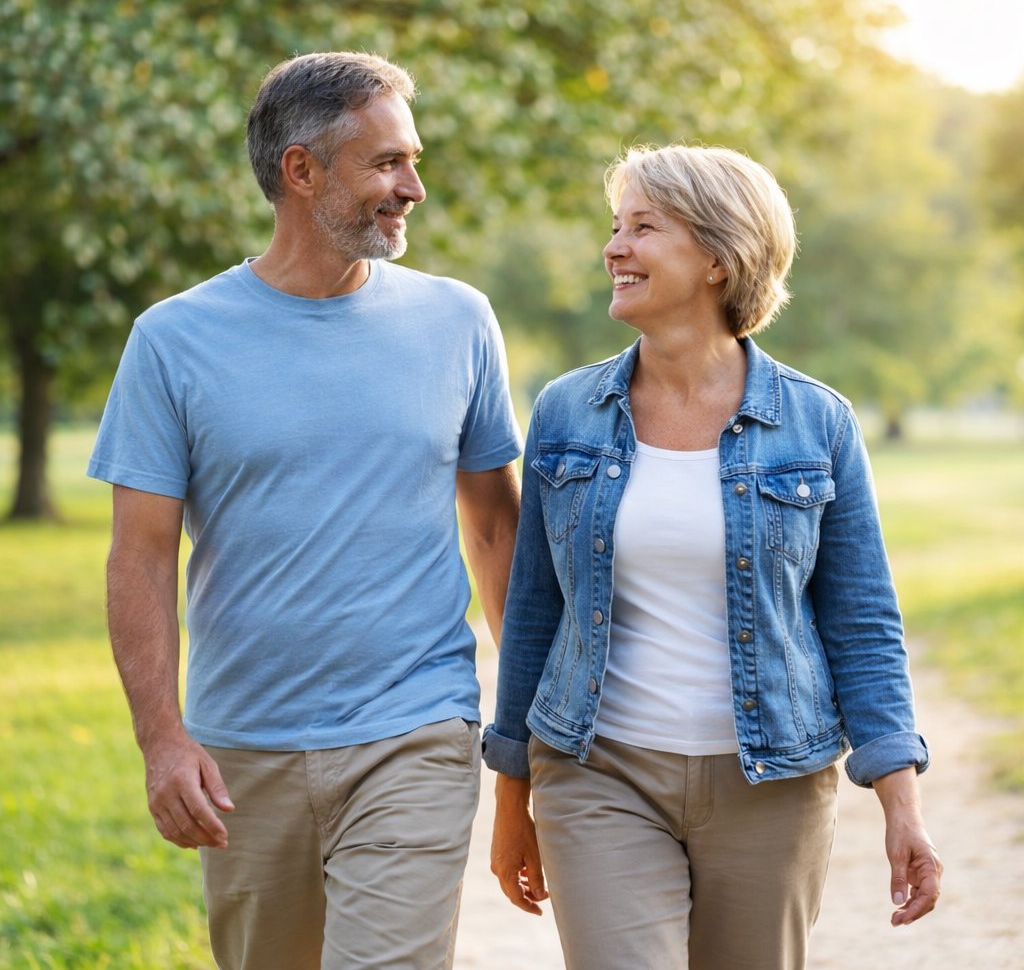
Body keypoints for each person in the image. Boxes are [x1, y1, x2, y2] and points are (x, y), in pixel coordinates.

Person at [88, 51, 522, 970]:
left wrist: (522, 717)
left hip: (416, 725)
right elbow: (140, 554)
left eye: (413, 160)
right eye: (388, 163)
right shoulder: (173, 340)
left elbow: (493, 524)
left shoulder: (457, 321)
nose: (414, 187)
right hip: (243, 748)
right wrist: (163, 741)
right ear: (301, 170)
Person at [483, 143, 942, 969]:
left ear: (719, 261)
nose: (614, 248)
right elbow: (534, 613)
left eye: (644, 228)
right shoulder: (565, 413)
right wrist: (512, 794)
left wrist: (901, 806)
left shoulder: (817, 424)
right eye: (615, 227)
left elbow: (861, 620)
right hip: (599, 772)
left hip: (772, 784)